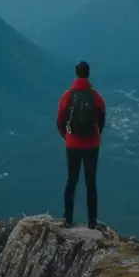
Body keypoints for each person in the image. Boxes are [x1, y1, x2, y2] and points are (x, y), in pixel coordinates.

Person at [56, 60, 106, 228]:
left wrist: (68, 136)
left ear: (76, 73)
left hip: (73, 144)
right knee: (90, 182)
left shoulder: (67, 96)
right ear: (88, 73)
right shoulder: (96, 97)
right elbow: (102, 119)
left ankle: (68, 219)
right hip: (92, 144)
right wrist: (95, 134)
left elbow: (60, 120)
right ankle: (92, 222)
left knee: (72, 181)